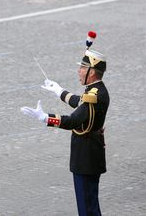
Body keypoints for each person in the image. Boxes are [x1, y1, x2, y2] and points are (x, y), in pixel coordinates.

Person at [20, 40, 109, 216]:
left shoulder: (94, 95)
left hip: (85, 157)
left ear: (92, 72)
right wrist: (59, 91)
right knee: (90, 205)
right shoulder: (96, 91)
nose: (79, 70)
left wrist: (45, 118)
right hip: (91, 154)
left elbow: (73, 121)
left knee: (87, 209)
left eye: (83, 68)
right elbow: (79, 102)